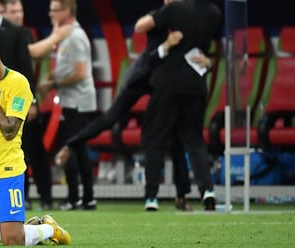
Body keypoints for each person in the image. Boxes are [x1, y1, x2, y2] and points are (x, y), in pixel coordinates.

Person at [55, 0, 206, 211]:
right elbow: (139, 26)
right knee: (110, 118)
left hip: (166, 83)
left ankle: (181, 196)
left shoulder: (190, 21)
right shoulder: (160, 15)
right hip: (144, 74)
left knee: (175, 136)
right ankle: (72, 142)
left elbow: (202, 48)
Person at [0, 36, 71, 245]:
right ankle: (29, 229)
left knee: (13, 241)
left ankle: (47, 229)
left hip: (7, 169)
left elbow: (9, 130)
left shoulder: (18, 83)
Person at [135, 0, 222, 210]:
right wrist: (209, 62)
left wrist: (166, 38)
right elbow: (218, 46)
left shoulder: (173, 10)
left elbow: (140, 26)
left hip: (167, 84)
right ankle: (207, 191)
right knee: (195, 140)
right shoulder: (214, 12)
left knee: (156, 139)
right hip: (195, 84)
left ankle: (151, 198)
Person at [37, 0, 97, 211]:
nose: (50, 13)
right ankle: (86, 198)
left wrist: (52, 84)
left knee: (71, 148)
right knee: (78, 149)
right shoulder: (66, 37)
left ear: (66, 11)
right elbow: (65, 68)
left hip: (78, 103)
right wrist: (51, 78)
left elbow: (80, 73)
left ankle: (76, 198)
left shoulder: (75, 37)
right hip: (72, 101)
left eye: (54, 10)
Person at [3, 0, 54, 210]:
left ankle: (45, 197)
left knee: (33, 151)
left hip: (21, 100)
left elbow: (27, 69)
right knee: (16, 152)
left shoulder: (22, 33)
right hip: (2, 102)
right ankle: (22, 197)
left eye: (20, 10)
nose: (17, 14)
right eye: (13, 10)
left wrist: (31, 100)